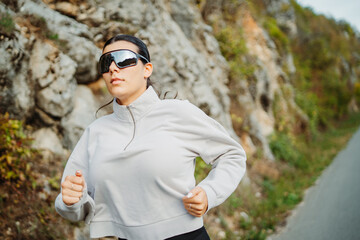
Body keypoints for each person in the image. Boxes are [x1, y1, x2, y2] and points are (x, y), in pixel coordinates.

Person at [55, 34, 247, 240]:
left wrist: (209, 193)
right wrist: (70, 201)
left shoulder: (178, 112)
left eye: (124, 59)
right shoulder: (95, 132)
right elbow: (73, 204)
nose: (113, 68)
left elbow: (232, 154)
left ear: (147, 69)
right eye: (106, 62)